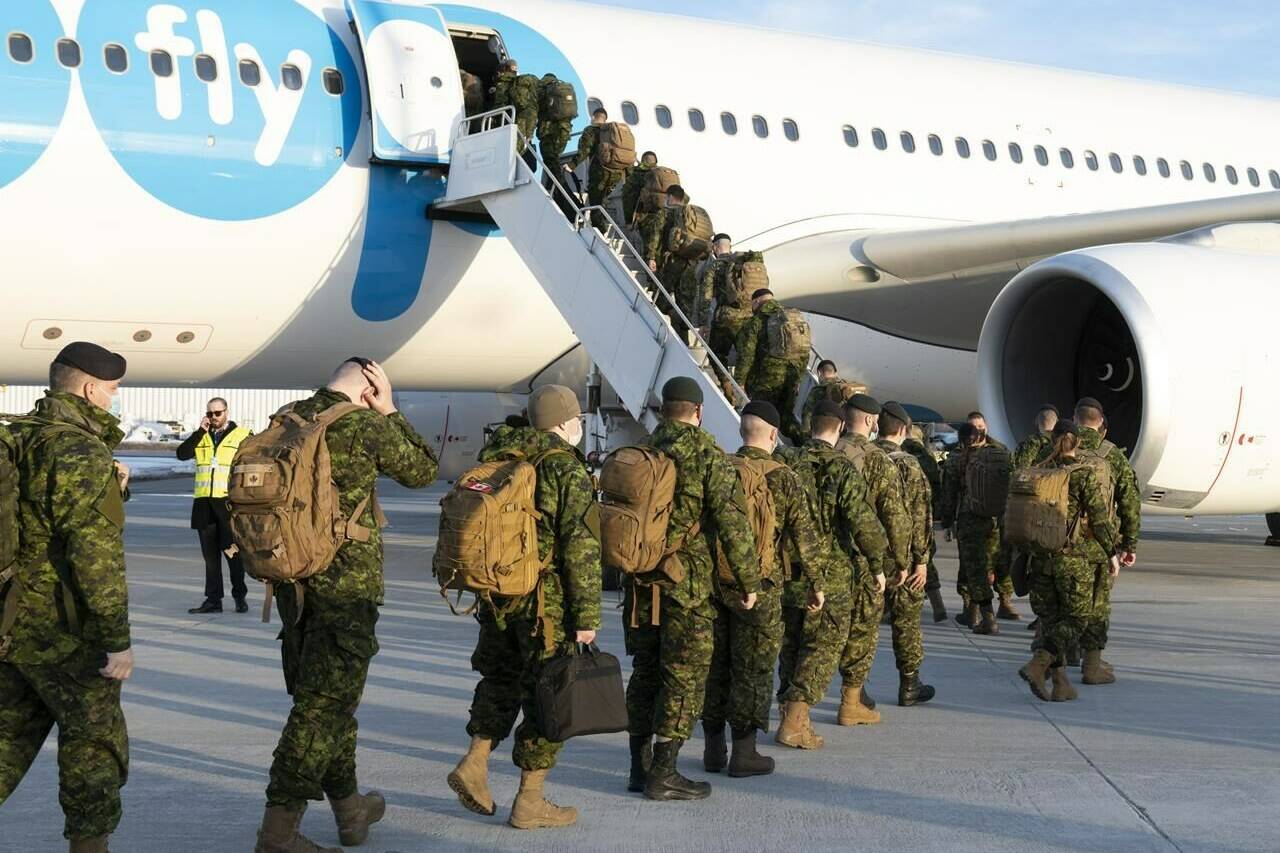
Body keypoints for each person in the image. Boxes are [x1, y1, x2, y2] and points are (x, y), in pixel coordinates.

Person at [254, 359, 438, 853]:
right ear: (369, 387)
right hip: (346, 588)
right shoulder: (361, 424)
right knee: (321, 710)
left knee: (329, 704)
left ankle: (349, 809)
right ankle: (278, 833)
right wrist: (391, 410)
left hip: (293, 584)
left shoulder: (288, 418)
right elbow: (423, 471)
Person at [0, 341, 134, 853]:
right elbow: (94, 557)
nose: (113, 400)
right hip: (65, 634)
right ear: (89, 388)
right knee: (95, 750)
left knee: (6, 744)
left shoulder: (24, 437)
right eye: (113, 391)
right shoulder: (79, 449)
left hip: (11, 624)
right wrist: (117, 642)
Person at [448, 385, 601, 830]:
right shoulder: (563, 469)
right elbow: (581, 549)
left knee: (500, 679)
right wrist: (586, 618)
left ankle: (475, 762)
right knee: (548, 696)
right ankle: (530, 800)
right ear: (566, 423)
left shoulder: (497, 458)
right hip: (544, 605)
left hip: (496, 596)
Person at [624, 377, 760, 801]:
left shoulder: (640, 452)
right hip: (688, 586)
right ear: (698, 412)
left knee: (646, 673)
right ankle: (665, 772)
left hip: (642, 585)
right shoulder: (706, 456)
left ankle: (638, 767)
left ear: (665, 409)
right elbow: (733, 524)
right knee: (683, 679)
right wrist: (748, 581)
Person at [701, 401, 826, 777]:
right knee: (753, 668)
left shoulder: (720, 468)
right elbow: (805, 538)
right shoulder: (784, 477)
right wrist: (816, 585)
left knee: (716, 664)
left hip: (715, 582)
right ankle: (744, 752)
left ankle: (712, 749)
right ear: (773, 434)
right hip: (762, 587)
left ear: (743, 432)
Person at [774, 401, 888, 747]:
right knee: (821, 649)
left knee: (791, 646)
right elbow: (864, 524)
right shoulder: (841, 470)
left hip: (786, 572)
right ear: (839, 429)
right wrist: (879, 565)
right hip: (830, 575)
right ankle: (794, 721)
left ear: (810, 425)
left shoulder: (784, 463)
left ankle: (792, 714)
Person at [1019, 420, 1120, 702]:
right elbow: (1099, 519)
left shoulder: (1038, 470)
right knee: (1077, 619)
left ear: (1052, 440)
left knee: (1052, 622)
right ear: (1077, 442)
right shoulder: (1082, 475)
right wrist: (1112, 554)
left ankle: (1061, 683)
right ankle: (1038, 665)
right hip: (1071, 561)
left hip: (1039, 560)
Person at [835, 395, 910, 721]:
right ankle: (851, 701)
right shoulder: (878, 460)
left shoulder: (827, 453)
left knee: (815, 635)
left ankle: (794, 709)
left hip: (820, 559)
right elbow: (895, 517)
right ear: (870, 421)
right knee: (862, 630)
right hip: (863, 561)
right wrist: (903, 561)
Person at [1072, 397, 1140, 684]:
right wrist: (1129, 545)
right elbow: (1129, 503)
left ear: (1074, 420)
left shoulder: (1059, 449)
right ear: (1101, 423)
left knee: (1067, 600)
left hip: (1061, 542)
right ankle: (1092, 665)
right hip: (1100, 544)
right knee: (1097, 604)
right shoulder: (1111, 455)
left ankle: (1058, 658)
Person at [873, 402, 937, 705]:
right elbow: (920, 515)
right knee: (906, 624)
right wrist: (922, 560)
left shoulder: (864, 459)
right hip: (904, 559)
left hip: (868, 558)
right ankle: (909, 683)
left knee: (864, 625)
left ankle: (855, 689)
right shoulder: (909, 465)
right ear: (902, 429)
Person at [176, 398, 252, 614]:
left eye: (217, 413)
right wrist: (199, 432)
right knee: (210, 559)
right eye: (210, 414)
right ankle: (213, 600)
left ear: (226, 412)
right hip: (203, 506)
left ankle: (239, 596)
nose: (213, 418)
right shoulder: (202, 437)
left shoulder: (242, 435)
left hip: (228, 506)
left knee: (233, 554)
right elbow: (182, 454)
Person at [734, 289, 805, 442]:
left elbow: (746, 355)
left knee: (761, 419)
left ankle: (767, 454)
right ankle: (805, 443)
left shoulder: (757, 322)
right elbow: (803, 351)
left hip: (766, 379)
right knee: (786, 417)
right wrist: (798, 377)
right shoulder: (791, 318)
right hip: (791, 376)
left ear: (756, 301)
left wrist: (739, 381)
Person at [902, 424, 947, 622]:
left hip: (901, 518)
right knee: (926, 561)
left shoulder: (899, 455)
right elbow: (937, 488)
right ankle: (938, 606)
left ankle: (900, 607)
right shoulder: (927, 459)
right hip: (923, 517)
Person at [574, 108, 629, 228]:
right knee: (602, 199)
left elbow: (585, 150)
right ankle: (601, 224)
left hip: (599, 172)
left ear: (593, 117)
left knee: (595, 202)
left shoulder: (591, 130)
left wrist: (571, 165)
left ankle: (599, 230)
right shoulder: (612, 134)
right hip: (616, 174)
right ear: (605, 119)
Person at [491, 59, 539, 169]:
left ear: (502, 70)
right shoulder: (520, 82)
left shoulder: (502, 83)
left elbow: (500, 107)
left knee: (510, 153)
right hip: (527, 123)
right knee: (523, 148)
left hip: (510, 124)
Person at [536, 73, 577, 181]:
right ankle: (556, 186)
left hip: (548, 130)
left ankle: (559, 188)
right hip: (564, 128)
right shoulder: (561, 87)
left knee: (550, 159)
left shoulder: (542, 88)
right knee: (555, 158)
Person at [1013, 405, 1059, 469]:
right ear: (1057, 421)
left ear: (1036, 422)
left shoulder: (1033, 442)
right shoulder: (1065, 441)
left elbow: (1021, 469)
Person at [621, 150, 658, 225]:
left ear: (643, 160)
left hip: (641, 214)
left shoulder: (636, 175)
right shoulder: (659, 173)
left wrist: (628, 221)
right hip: (658, 214)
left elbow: (627, 198)